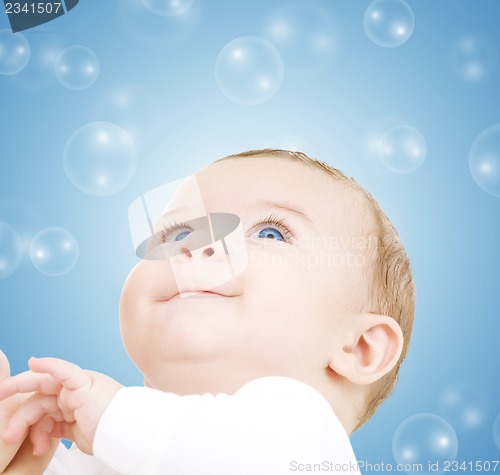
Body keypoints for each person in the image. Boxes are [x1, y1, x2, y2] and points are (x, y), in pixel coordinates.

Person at [0, 149, 416, 474]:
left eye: (270, 232)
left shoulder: (308, 439)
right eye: (178, 233)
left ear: (360, 348)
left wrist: (109, 413)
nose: (196, 247)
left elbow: (239, 455)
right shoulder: (111, 452)